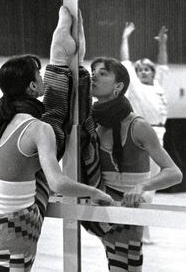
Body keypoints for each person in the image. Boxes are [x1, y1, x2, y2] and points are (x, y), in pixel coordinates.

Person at [0, 6, 114, 272]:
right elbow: (59, 182)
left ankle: (64, 59)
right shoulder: (37, 128)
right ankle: (62, 58)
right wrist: (96, 192)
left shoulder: (0, 127)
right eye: (39, 77)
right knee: (56, 118)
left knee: (55, 117)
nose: (41, 81)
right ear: (32, 87)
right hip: (21, 225)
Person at [81, 56, 182, 272]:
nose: (94, 76)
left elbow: (174, 173)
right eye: (93, 71)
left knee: (126, 265)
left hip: (129, 207)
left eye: (102, 73)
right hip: (104, 206)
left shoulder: (137, 125)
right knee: (124, 265)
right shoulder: (90, 124)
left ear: (118, 87)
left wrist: (142, 186)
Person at [120, 22, 169, 243]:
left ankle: (141, 229)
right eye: (140, 70)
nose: (142, 72)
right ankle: (139, 230)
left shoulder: (157, 85)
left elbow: (163, 64)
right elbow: (126, 62)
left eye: (146, 69)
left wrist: (163, 44)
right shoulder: (136, 88)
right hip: (145, 137)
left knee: (153, 187)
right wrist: (125, 38)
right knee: (145, 186)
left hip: (160, 136)